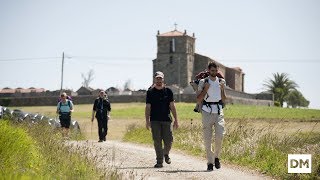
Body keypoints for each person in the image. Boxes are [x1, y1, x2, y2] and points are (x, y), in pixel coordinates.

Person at [196, 62, 227, 171]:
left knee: (220, 136)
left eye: (216, 71)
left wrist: (222, 89)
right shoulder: (203, 82)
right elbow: (199, 99)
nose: (214, 73)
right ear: (208, 70)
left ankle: (216, 157)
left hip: (218, 111)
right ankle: (210, 162)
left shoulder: (221, 82)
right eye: (212, 71)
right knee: (207, 138)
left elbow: (224, 99)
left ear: (217, 70)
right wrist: (205, 89)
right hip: (206, 111)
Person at [145, 71, 179, 168]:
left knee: (169, 140)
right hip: (154, 120)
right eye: (157, 78)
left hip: (167, 120)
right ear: (154, 79)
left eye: (160, 78)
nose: (159, 80)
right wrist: (147, 121)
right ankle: (159, 161)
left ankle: (166, 154)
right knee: (157, 141)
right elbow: (148, 107)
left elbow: (172, 106)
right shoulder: (150, 92)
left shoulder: (168, 91)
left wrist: (176, 120)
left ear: (163, 79)